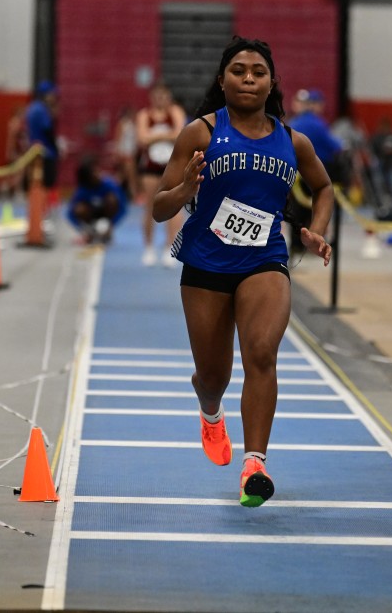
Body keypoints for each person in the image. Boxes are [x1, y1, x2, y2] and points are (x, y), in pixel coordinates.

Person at [153, 37, 333, 507]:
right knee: (214, 375)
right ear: (222, 80)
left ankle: (255, 465)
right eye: (238, 70)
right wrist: (185, 188)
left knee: (262, 353)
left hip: (264, 261)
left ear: (272, 82)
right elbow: (158, 206)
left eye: (258, 71)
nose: (248, 78)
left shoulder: (293, 141)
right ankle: (210, 410)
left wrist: (315, 230)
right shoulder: (199, 134)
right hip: (206, 264)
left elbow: (324, 187)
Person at [287, 88, 343, 255]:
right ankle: (312, 242)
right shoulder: (318, 124)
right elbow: (336, 147)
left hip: (295, 175)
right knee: (314, 209)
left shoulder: (293, 123)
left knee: (296, 210)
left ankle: (296, 245)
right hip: (315, 174)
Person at [137, 81, 187, 267]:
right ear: (152, 98)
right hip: (150, 167)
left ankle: (169, 247)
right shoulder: (144, 115)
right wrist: (167, 135)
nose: (160, 100)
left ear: (168, 97)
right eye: (157, 97)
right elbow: (142, 139)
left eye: (163, 96)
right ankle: (149, 247)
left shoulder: (175, 112)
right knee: (149, 207)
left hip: (171, 167)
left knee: (174, 208)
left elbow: (180, 134)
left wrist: (155, 136)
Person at [26, 80, 61, 237]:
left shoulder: (32, 108)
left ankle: (38, 218)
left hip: (34, 151)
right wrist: (55, 148)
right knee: (45, 186)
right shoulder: (41, 110)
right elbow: (47, 130)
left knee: (37, 185)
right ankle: (41, 218)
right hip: (45, 152)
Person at [66, 159, 126, 245]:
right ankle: (90, 232)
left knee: (112, 200)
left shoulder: (109, 184)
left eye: (97, 171)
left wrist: (112, 224)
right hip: (91, 216)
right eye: (94, 172)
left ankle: (106, 231)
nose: (98, 174)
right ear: (88, 177)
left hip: (106, 215)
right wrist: (82, 229)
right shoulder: (82, 190)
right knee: (79, 209)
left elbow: (122, 207)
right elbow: (70, 214)